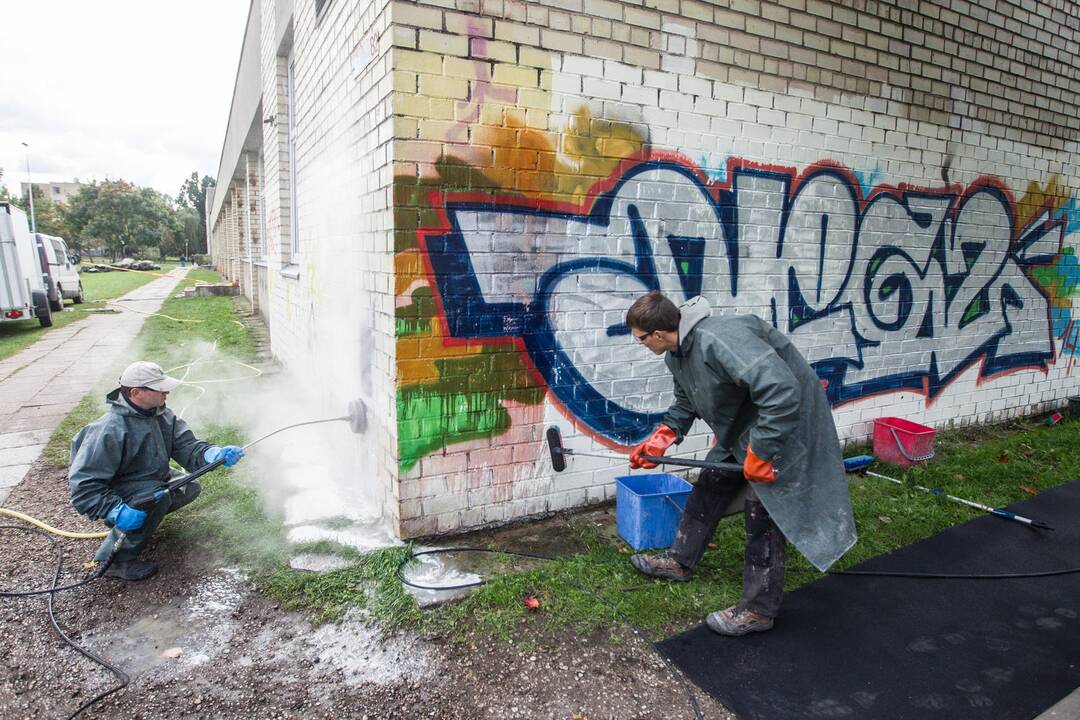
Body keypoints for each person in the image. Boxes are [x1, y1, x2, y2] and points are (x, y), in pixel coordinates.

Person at [625, 292, 856, 636]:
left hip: (786, 426)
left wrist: (761, 452)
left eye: (641, 338)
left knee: (762, 509)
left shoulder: (720, 339)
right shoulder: (676, 356)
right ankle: (679, 561)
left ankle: (759, 610)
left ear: (658, 333)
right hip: (745, 428)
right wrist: (663, 436)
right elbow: (686, 402)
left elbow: (781, 392)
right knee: (711, 482)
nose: (640, 344)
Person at [68, 361, 246, 581]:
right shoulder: (110, 430)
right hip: (116, 490)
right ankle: (115, 561)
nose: (166, 392)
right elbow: (83, 488)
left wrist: (212, 454)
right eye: (160, 389)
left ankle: (142, 520)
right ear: (136, 392)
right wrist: (116, 510)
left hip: (147, 478)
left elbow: (186, 446)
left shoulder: (160, 414)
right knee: (155, 498)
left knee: (189, 486)